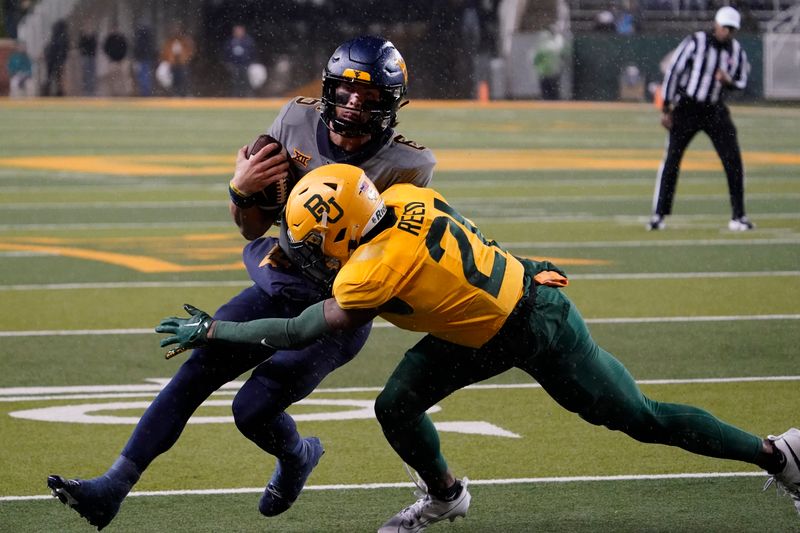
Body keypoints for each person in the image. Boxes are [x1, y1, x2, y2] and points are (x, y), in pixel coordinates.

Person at [156, 162, 799, 531]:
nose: (306, 254)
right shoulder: (404, 195)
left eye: (313, 241)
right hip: (480, 324)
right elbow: (463, 237)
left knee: (639, 419)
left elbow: (298, 331)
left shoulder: (369, 270)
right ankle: (444, 495)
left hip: (533, 325)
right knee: (396, 404)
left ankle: (778, 455)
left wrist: (216, 331)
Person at [46, 36, 436, 530]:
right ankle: (114, 486)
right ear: (328, 89)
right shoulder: (295, 120)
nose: (354, 103)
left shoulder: (410, 168)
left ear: (392, 104)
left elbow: (387, 267)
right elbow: (253, 227)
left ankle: (297, 455)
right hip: (282, 278)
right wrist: (240, 190)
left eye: (370, 95)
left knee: (252, 409)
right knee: (198, 367)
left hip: (339, 306)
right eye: (346, 90)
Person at [648, 6, 753, 232]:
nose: (728, 32)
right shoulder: (696, 42)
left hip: (715, 110)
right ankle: (658, 215)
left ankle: (739, 216)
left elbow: (742, 80)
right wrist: (666, 108)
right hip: (687, 107)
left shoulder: (735, 50)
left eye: (732, 29)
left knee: (733, 161)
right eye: (725, 27)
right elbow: (674, 71)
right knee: (671, 160)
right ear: (716, 24)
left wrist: (729, 81)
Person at [224, 24, 256, 97]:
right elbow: (226, 53)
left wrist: (251, 63)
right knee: (235, 81)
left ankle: (248, 96)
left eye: (240, 31)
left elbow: (253, 53)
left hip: (246, 65)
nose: (238, 32)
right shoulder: (230, 41)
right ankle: (236, 96)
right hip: (234, 65)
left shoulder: (248, 41)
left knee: (247, 81)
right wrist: (228, 63)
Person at [160, 26, 194, 97]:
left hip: (182, 62)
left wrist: (187, 58)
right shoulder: (169, 42)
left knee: (184, 79)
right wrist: (167, 60)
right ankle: (176, 94)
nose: (175, 32)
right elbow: (165, 52)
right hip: (173, 63)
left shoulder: (184, 41)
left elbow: (190, 50)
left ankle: (186, 93)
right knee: (175, 79)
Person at [42, 19, 69, 96]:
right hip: (56, 59)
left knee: (50, 76)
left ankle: (47, 92)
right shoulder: (63, 37)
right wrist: (61, 61)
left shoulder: (54, 36)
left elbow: (50, 48)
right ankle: (58, 92)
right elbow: (63, 50)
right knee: (58, 78)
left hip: (51, 59)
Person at [132, 23, 156, 97]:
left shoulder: (141, 39)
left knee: (143, 77)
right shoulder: (148, 39)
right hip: (145, 59)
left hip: (143, 59)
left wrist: (137, 57)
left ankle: (145, 93)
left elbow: (138, 49)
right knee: (145, 77)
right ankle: (145, 92)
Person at [77, 29, 97, 96]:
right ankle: (86, 88)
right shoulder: (83, 37)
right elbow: (80, 46)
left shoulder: (93, 36)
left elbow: (94, 46)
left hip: (92, 56)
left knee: (91, 73)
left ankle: (91, 88)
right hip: (85, 56)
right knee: (85, 73)